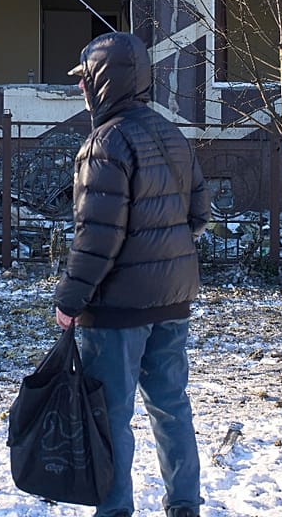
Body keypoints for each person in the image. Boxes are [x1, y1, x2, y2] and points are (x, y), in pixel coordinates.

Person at [54, 32, 209, 517]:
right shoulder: (172, 135)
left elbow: (97, 238)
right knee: (171, 405)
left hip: (118, 308)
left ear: (102, 81)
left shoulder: (105, 143)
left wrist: (69, 299)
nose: (81, 89)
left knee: (110, 414)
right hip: (173, 298)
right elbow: (198, 214)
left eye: (85, 80)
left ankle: (115, 509)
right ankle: (184, 504)